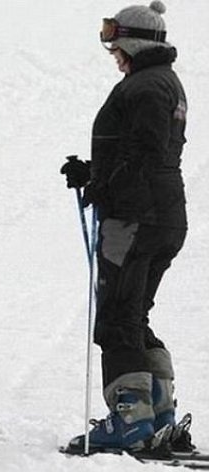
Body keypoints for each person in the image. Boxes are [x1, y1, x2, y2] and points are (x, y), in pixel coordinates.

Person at [60, 1, 192, 451]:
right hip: (163, 216)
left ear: (133, 43)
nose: (113, 55)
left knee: (117, 318)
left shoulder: (146, 86)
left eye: (116, 46)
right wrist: (94, 173)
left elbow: (144, 153)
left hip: (135, 219)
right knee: (133, 314)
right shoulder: (162, 83)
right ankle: (158, 413)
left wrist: (104, 185)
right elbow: (143, 151)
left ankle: (131, 420)